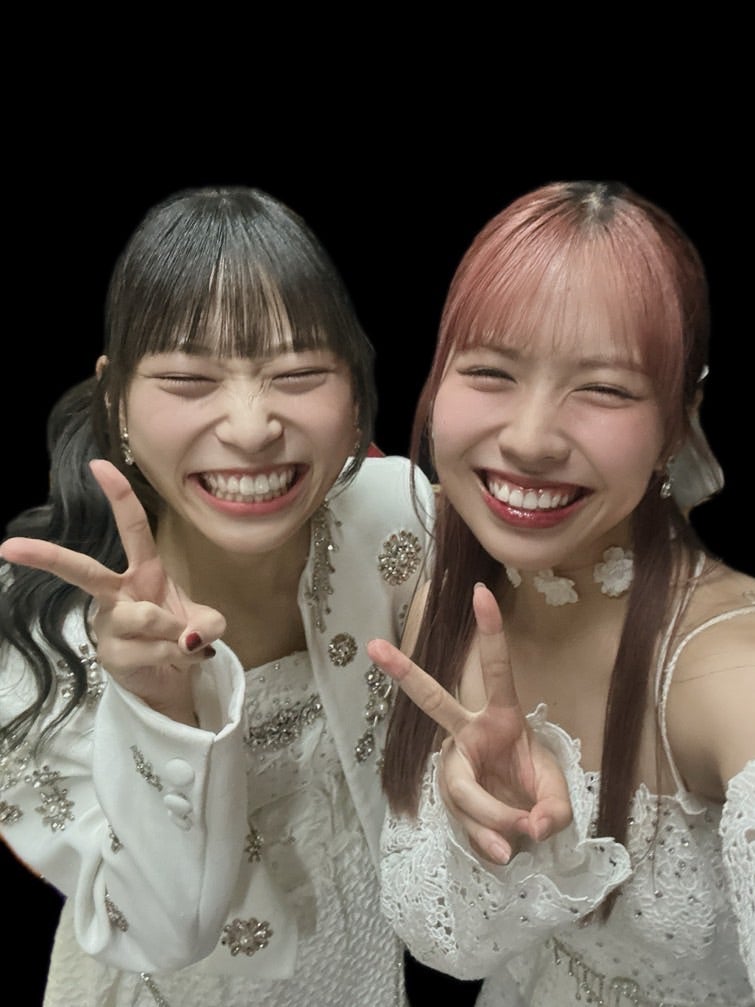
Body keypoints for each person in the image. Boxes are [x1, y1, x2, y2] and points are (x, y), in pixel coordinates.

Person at [0, 185, 437, 1006]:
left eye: (298, 373)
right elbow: (166, 933)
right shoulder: (40, 635)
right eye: (188, 378)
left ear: (354, 393)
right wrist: (156, 704)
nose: (249, 426)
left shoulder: (400, 519)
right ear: (115, 399)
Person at [369, 180, 755, 1005]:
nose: (530, 438)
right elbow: (449, 949)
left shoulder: (727, 667)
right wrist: (498, 837)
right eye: (489, 371)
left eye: (604, 388)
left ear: (677, 421)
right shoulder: (442, 604)